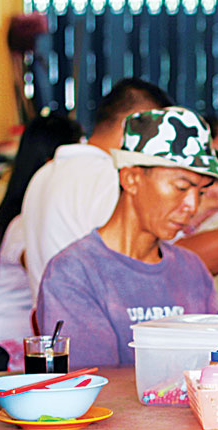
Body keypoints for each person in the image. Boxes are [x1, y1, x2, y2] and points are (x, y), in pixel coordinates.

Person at [24, 78, 218, 299]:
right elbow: (179, 263)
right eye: (179, 185)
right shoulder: (105, 176)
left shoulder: (46, 174)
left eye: (196, 189)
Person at [36, 106, 218, 367]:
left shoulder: (193, 270)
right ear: (131, 178)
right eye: (181, 187)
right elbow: (96, 388)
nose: (192, 206)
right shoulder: (72, 274)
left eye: (201, 192)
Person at [22, 78, 174, 300]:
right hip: (95, 321)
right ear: (130, 127)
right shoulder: (110, 177)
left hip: (54, 324)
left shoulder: (44, 173)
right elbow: (136, 268)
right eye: (162, 136)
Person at [0, 113, 83, 369]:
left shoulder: (14, 214)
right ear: (52, 163)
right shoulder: (22, 223)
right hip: (1, 347)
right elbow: (52, 272)